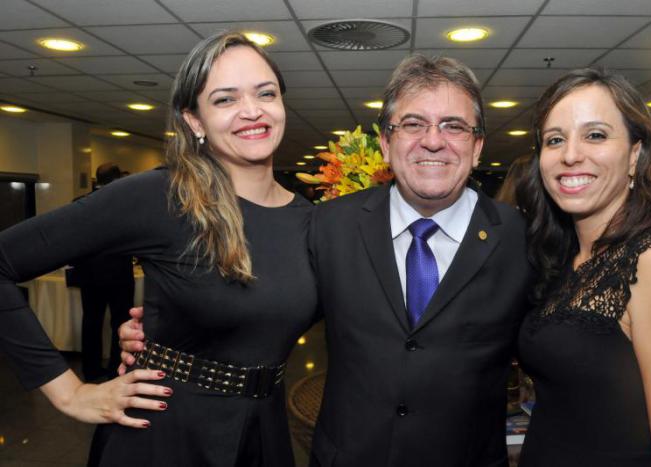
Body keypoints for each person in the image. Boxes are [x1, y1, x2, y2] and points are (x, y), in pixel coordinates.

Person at [120, 54, 534, 466]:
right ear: (386, 143)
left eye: (454, 126)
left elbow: (555, 343)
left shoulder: (521, 239)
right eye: (412, 124)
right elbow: (266, 308)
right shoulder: (329, 224)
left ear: (477, 147)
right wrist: (166, 338)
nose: (433, 141)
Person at [0, 30, 317, 467]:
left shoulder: (311, 219)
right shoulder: (161, 196)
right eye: (225, 99)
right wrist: (68, 392)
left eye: (266, 93)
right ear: (194, 121)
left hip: (265, 431)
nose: (252, 110)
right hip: (166, 431)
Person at [516, 68, 651, 466]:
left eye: (595, 135)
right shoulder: (566, 258)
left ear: (635, 154)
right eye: (555, 140)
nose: (570, 154)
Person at [72, 162, 135, 381]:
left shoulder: (79, 203)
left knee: (91, 321)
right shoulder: (126, 205)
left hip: (90, 276)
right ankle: (116, 368)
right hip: (119, 275)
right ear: (117, 179)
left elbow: (72, 241)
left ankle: (90, 369)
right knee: (120, 323)